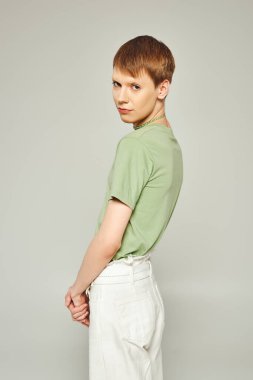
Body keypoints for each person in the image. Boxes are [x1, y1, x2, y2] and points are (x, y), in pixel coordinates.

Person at [64, 35, 183, 379]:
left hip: (118, 290)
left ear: (162, 88)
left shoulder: (136, 146)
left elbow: (109, 239)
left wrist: (77, 290)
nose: (121, 96)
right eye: (116, 83)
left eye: (135, 86)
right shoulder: (170, 146)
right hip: (145, 288)